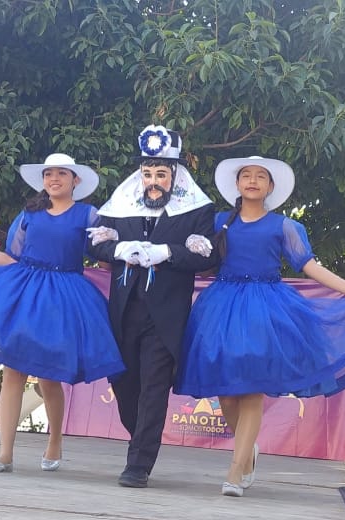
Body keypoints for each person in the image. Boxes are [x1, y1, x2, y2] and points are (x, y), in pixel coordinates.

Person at [176, 156, 345, 497]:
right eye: (247, 175)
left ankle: (236, 469)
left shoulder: (285, 226)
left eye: (261, 176)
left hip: (265, 311)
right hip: (220, 308)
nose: (253, 180)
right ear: (237, 184)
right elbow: (200, 261)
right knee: (226, 393)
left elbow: (309, 265)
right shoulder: (218, 222)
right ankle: (248, 450)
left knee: (251, 389)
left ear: (271, 187)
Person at [0, 153, 124, 473]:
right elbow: (13, 260)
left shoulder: (89, 214)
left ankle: (55, 440)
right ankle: (5, 454)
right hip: (24, 294)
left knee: (49, 379)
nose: (54, 179)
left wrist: (116, 240)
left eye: (61, 173)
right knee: (13, 372)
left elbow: (103, 257)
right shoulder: (29, 214)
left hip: (62, 299)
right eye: (49, 174)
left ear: (75, 181)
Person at [88, 125, 219, 488]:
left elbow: (208, 255)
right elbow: (93, 244)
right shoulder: (121, 203)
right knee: (124, 384)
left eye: (161, 174)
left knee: (154, 387)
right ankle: (141, 439)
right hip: (125, 310)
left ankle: (138, 464)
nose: (153, 182)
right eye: (148, 174)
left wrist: (168, 253)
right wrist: (118, 249)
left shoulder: (197, 210)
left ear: (175, 175)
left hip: (166, 314)